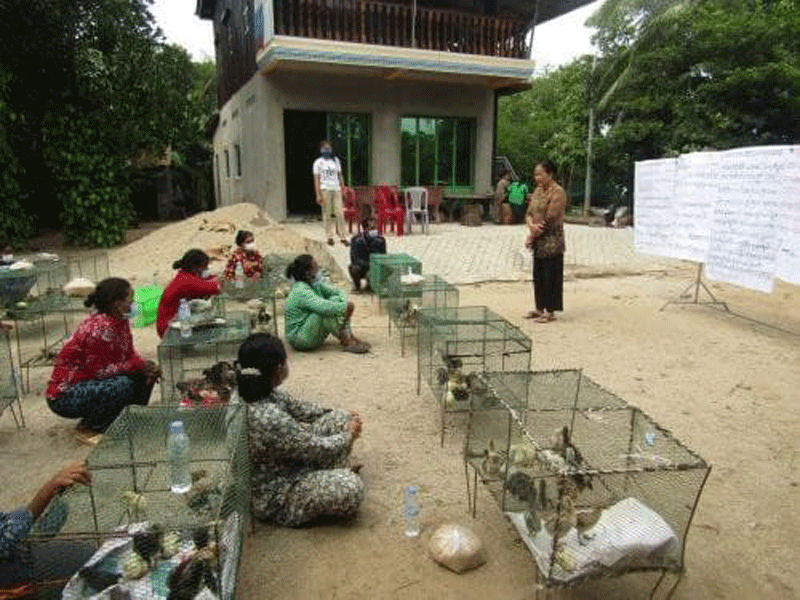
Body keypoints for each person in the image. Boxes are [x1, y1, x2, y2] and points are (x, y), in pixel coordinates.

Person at [238, 333, 365, 526]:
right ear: (278, 368)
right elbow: (316, 448)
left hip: (287, 462)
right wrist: (349, 435)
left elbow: (299, 408)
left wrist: (340, 414)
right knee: (351, 487)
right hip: (278, 494)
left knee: (341, 418)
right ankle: (332, 476)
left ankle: (332, 471)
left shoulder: (257, 390)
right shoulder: (268, 417)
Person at [46, 278, 160, 442]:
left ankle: (129, 416)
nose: (133, 303)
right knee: (122, 384)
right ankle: (90, 426)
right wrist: (136, 365)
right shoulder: (100, 330)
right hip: (66, 394)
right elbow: (100, 372)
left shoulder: (119, 320)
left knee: (147, 370)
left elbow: (128, 353)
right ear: (116, 303)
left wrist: (143, 366)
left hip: (90, 380)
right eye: (130, 299)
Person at [0, 463, 94, 590]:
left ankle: (32, 535)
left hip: (12, 545)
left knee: (60, 509)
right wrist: (47, 491)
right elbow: (5, 540)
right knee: (89, 559)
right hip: (11, 566)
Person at [284, 254, 369, 353]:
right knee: (324, 312)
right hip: (299, 338)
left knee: (334, 301)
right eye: (315, 266)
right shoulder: (301, 290)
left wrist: (343, 304)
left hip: (309, 332)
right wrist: (343, 307)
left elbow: (339, 292)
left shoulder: (315, 285)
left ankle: (348, 336)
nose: (319, 269)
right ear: (308, 272)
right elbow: (323, 307)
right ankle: (347, 339)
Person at [525, 160, 567, 323]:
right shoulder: (537, 191)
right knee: (538, 275)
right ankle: (539, 308)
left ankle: (550, 311)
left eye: (540, 174)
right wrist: (531, 227)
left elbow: (551, 218)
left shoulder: (558, 192)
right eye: (535, 174)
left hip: (552, 240)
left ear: (550, 174)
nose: (537, 178)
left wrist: (532, 235)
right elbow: (529, 212)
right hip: (538, 239)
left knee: (551, 276)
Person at [156, 249, 221, 338]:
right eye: (205, 267)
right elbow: (215, 288)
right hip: (168, 328)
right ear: (195, 267)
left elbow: (204, 282)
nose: (206, 269)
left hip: (173, 320)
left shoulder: (183, 275)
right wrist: (217, 279)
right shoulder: (186, 281)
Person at [312, 140, 350, 247]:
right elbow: (316, 179)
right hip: (325, 189)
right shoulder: (318, 163)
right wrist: (318, 194)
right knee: (327, 213)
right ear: (321, 150)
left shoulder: (335, 161)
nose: (327, 150)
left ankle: (343, 236)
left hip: (336, 189)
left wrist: (343, 188)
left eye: (328, 148)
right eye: (325, 148)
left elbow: (340, 175)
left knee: (339, 213)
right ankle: (329, 236)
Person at [348, 215, 386, 293]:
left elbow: (383, 257)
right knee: (354, 268)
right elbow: (354, 259)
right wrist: (367, 265)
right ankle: (357, 285)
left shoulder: (380, 240)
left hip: (374, 267)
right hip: (361, 266)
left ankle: (370, 285)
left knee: (373, 273)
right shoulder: (356, 240)